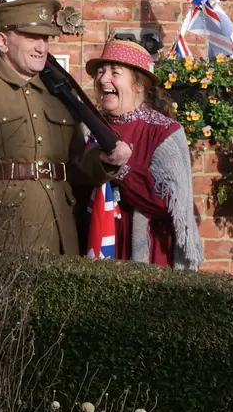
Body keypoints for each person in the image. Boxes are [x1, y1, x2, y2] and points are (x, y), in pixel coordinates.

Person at [0, 0, 132, 253]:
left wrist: (104, 161)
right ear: (2, 41)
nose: (41, 47)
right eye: (31, 37)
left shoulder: (59, 95)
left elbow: (74, 166)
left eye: (45, 39)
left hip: (61, 237)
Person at [85, 38, 204, 269]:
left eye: (115, 72)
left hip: (149, 252)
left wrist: (120, 169)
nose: (103, 79)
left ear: (139, 85)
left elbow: (170, 204)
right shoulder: (88, 128)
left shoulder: (163, 131)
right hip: (94, 240)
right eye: (101, 71)